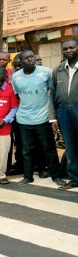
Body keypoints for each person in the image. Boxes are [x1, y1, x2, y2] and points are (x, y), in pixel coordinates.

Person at [11, 49, 64, 186]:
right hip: (24, 119)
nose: (30, 59)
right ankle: (28, 176)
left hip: (43, 117)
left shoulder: (46, 72)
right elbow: (18, 95)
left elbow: (51, 93)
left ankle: (56, 176)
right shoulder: (16, 77)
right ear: (21, 62)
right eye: (26, 58)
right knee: (27, 150)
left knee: (49, 148)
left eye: (32, 57)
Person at [50, 38, 78, 190]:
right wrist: (53, 118)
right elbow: (51, 95)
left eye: (71, 47)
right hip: (63, 112)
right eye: (65, 48)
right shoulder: (58, 70)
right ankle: (74, 178)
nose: (68, 50)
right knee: (70, 146)